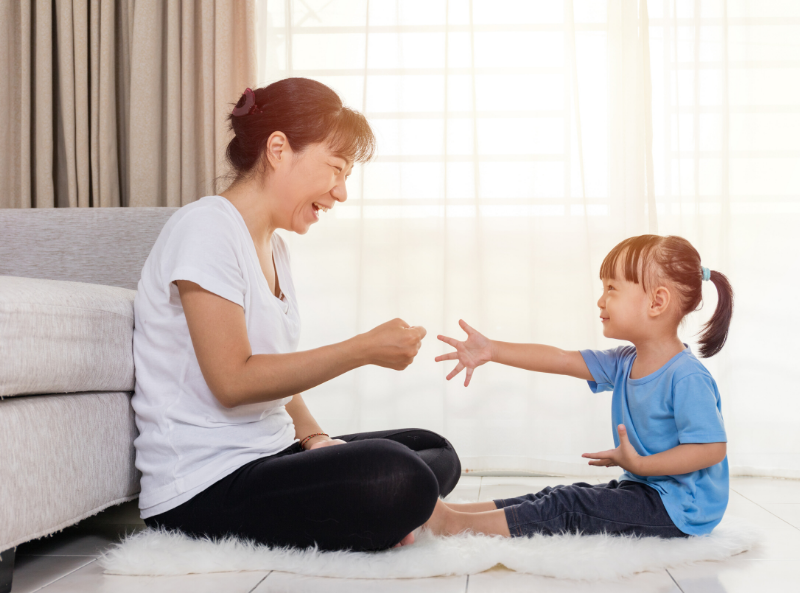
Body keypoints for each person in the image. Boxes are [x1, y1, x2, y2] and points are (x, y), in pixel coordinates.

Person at [131, 78, 461, 552]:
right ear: (279, 149)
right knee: (399, 474)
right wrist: (361, 349)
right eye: (335, 169)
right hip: (203, 483)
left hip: (269, 453)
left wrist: (315, 440)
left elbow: (278, 376)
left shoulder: (274, 247)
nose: (341, 192)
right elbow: (234, 382)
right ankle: (382, 516)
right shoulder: (206, 228)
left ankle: (375, 518)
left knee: (434, 451)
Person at [427, 234, 732, 539]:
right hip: (647, 490)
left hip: (682, 508)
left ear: (657, 302)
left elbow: (712, 449)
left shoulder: (687, 376)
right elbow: (561, 359)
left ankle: (453, 525)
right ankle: (454, 513)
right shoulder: (624, 361)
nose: (601, 300)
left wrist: (641, 464)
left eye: (611, 289)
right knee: (561, 494)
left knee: (569, 505)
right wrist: (492, 349)